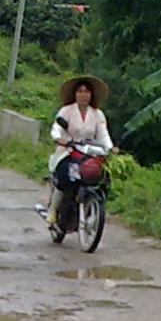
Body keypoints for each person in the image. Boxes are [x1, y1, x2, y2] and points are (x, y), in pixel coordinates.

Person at [45, 75, 111, 223]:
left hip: (89, 154)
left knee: (101, 177)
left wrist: (110, 148)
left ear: (91, 95)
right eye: (80, 91)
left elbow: (103, 135)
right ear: (75, 94)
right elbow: (56, 129)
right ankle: (53, 210)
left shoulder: (97, 114)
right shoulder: (66, 111)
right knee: (64, 176)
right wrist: (60, 139)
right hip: (68, 152)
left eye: (87, 91)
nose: (83, 95)